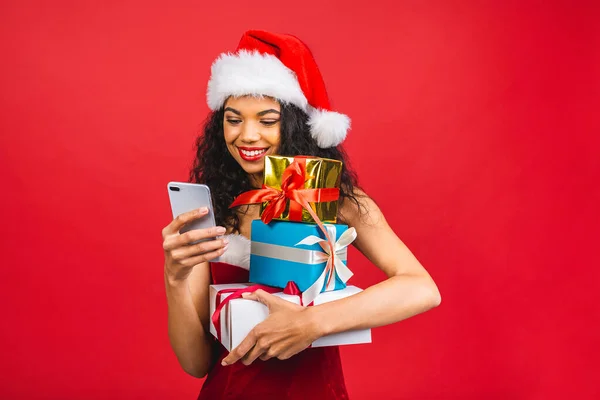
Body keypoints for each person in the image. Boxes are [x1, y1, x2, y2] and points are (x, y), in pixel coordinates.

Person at [162, 30, 441, 399]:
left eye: (266, 120)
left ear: (295, 123)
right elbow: (196, 363)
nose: (247, 135)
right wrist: (174, 277)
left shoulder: (334, 199)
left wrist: (312, 323)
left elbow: (421, 288)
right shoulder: (210, 210)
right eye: (234, 119)